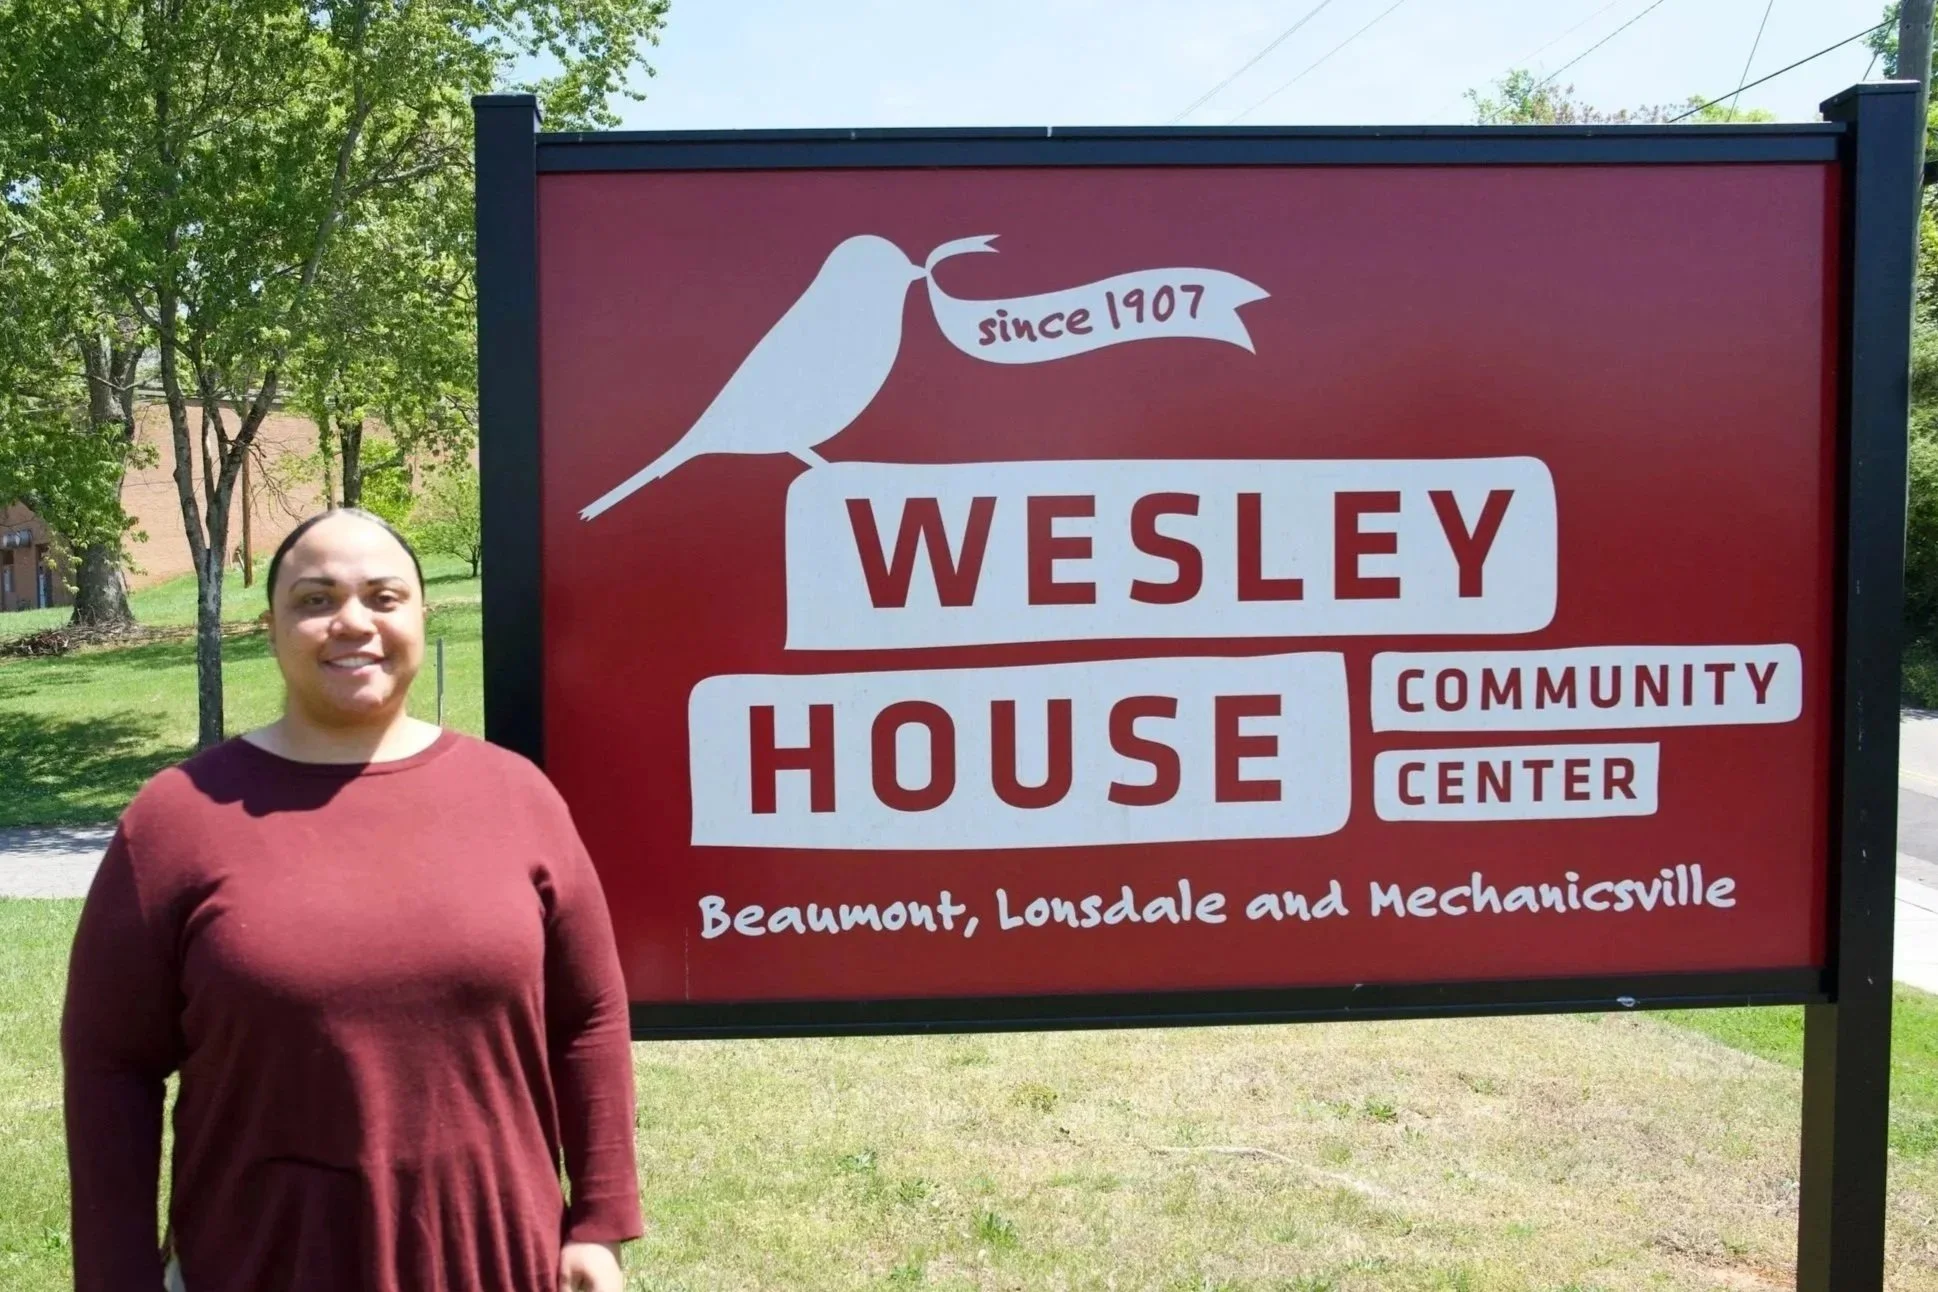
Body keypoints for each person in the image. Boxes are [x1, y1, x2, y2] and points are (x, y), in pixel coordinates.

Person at [61, 508, 643, 1292]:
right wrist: (117, 1274)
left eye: (383, 596)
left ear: (420, 615)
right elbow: (110, 1064)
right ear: (270, 627)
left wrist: (599, 1223)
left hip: (496, 1256)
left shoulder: (516, 796)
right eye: (316, 599)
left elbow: (588, 1017)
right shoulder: (178, 817)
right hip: (262, 1259)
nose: (352, 623)